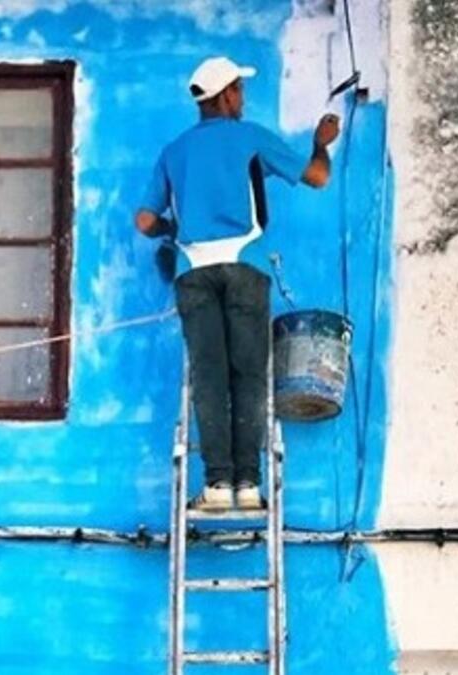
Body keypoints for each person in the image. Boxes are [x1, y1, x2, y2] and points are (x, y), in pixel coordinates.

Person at [135, 56, 340, 510]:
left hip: (195, 272)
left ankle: (215, 484)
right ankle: (248, 485)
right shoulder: (249, 138)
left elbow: (146, 219)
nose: (242, 99)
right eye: (239, 91)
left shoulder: (174, 152)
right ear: (225, 95)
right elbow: (317, 176)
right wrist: (321, 143)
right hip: (243, 267)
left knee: (209, 378)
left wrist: (174, 231)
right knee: (247, 375)